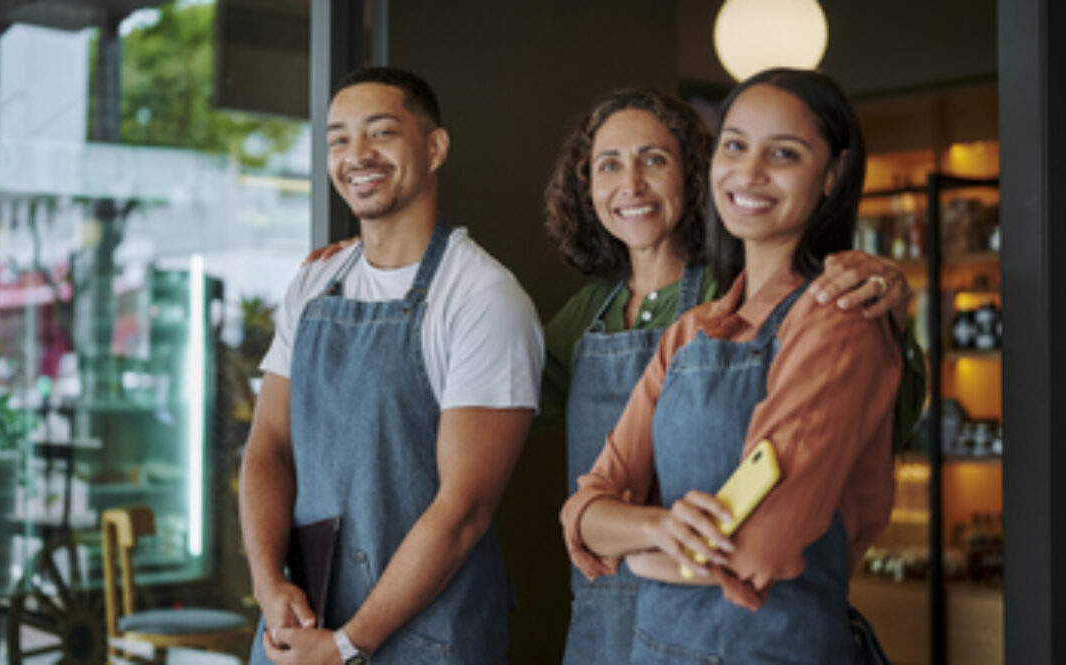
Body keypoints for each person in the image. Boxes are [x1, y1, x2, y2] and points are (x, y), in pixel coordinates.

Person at [542, 88, 920, 663]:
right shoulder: (670, 325)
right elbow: (583, 509)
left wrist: (639, 545)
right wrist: (657, 528)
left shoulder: (831, 310)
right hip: (626, 630)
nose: (631, 183)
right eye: (609, 164)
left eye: (655, 160)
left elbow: (762, 544)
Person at [239, 67, 543, 665]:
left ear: (435, 148)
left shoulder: (483, 298)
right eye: (338, 140)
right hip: (302, 630)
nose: (357, 156)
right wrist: (267, 584)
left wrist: (349, 644)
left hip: (425, 639)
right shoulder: (314, 284)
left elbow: (463, 510)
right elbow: (268, 445)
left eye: (380, 133)